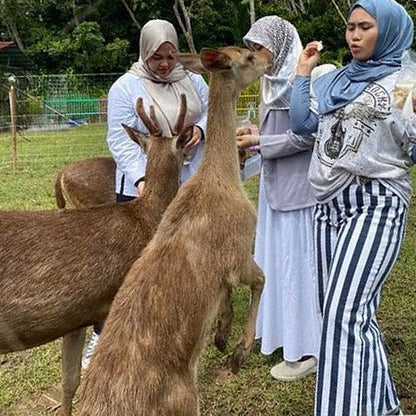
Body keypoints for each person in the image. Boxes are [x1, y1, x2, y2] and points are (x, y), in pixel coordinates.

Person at [290, 0, 414, 414]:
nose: (354, 35)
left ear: (390, 30)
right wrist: (303, 73)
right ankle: (386, 408)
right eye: (350, 27)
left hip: (375, 200)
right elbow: (302, 125)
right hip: (328, 204)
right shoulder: (339, 79)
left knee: (345, 314)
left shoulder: (407, 81)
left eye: (365, 27)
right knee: (345, 314)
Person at [81, 19, 209, 369]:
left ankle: (169, 327)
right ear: (144, 54)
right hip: (143, 192)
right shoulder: (126, 86)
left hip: (187, 182)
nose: (165, 64)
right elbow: (120, 138)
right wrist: (143, 178)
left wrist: (199, 127)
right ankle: (102, 338)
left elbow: (212, 111)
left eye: (170, 56)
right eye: (157, 58)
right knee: (129, 265)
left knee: (182, 257)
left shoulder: (192, 80)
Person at [236, 15, 322, 381]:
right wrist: (256, 134)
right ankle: (284, 337)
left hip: (299, 194)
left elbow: (307, 137)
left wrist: (260, 143)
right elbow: (277, 133)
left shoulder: (303, 84)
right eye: (252, 48)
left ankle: (307, 348)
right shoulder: (273, 83)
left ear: (282, 47)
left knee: (297, 271)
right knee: (276, 266)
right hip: (276, 192)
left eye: (260, 47)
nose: (255, 55)